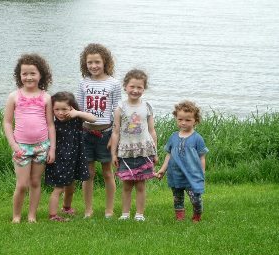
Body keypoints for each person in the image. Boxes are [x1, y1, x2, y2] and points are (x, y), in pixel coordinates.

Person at [3, 53, 56, 223]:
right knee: (22, 184)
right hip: (21, 147)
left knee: (35, 183)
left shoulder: (46, 97)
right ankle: (17, 216)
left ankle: (32, 216)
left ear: (41, 75)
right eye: (24, 73)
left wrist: (52, 148)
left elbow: (50, 125)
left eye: (33, 73)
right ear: (19, 76)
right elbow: (7, 123)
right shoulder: (14, 96)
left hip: (42, 146)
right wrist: (14, 145)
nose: (28, 77)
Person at [76, 43, 122, 218]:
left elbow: (116, 111)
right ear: (85, 64)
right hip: (86, 133)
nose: (93, 66)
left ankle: (109, 210)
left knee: (107, 172)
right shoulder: (83, 83)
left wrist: (115, 137)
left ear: (105, 62)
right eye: (89, 62)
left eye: (97, 62)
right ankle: (88, 210)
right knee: (88, 174)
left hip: (106, 134)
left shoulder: (114, 84)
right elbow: (79, 108)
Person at [111, 69, 158, 221]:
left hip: (144, 151)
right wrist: (113, 153)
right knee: (126, 185)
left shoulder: (147, 106)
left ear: (144, 89)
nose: (135, 90)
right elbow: (116, 132)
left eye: (139, 87)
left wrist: (155, 153)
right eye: (132, 86)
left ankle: (139, 214)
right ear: (125, 87)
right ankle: (125, 214)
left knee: (140, 185)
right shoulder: (120, 108)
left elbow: (152, 130)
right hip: (125, 152)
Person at [46, 91, 96, 221]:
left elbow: (93, 118)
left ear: (71, 107)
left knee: (71, 185)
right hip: (60, 160)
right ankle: (53, 215)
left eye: (64, 109)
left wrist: (77, 113)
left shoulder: (76, 118)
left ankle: (66, 207)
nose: (60, 112)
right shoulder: (53, 124)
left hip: (74, 158)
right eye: (56, 109)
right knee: (59, 187)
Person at [155, 100, 209, 223]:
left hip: (192, 175)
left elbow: (202, 157)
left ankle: (197, 216)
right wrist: (163, 169)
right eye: (180, 119)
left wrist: (202, 172)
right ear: (176, 118)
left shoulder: (197, 138)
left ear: (195, 120)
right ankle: (180, 218)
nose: (183, 123)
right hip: (175, 175)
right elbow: (169, 154)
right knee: (177, 198)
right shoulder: (173, 137)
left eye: (188, 120)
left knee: (195, 198)